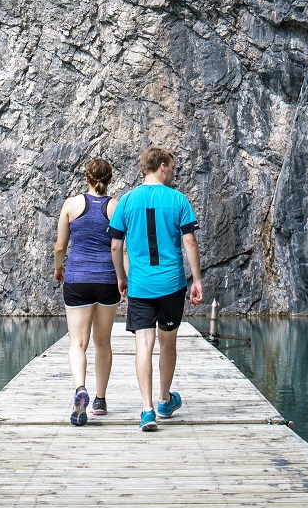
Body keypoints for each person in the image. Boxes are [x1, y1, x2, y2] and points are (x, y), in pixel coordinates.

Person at [107, 146, 203, 432]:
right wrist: (196, 280)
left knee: (143, 345)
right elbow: (190, 242)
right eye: (172, 167)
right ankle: (164, 400)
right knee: (168, 342)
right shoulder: (178, 200)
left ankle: (147, 410)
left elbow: (115, 245)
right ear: (162, 166)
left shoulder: (126, 201)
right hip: (171, 284)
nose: (174, 171)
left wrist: (120, 277)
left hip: (139, 285)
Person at [53, 158, 120, 425]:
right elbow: (119, 248)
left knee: (77, 343)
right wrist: (122, 278)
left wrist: (59, 269)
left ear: (86, 179)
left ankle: (80, 388)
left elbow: (60, 247)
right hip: (106, 280)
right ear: (110, 179)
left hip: (77, 278)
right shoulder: (116, 207)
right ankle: (100, 400)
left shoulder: (70, 205)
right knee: (102, 342)